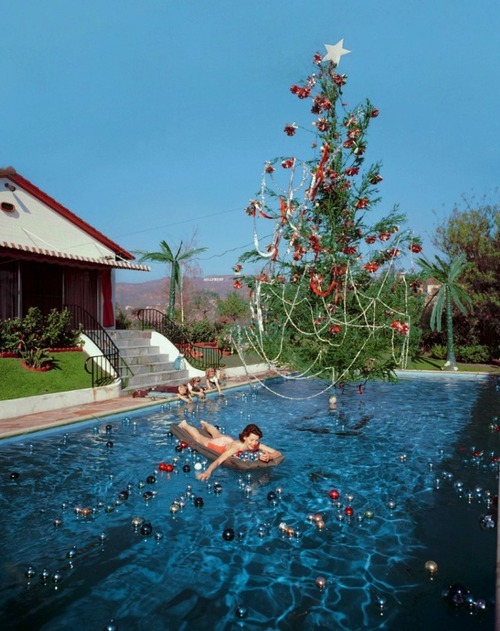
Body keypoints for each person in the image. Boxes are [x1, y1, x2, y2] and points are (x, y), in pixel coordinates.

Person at [178, 420, 282, 480]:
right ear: (245, 437)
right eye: (252, 440)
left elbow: (277, 453)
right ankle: (185, 424)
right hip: (219, 445)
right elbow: (219, 460)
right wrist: (208, 471)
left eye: (256, 440)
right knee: (199, 438)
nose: (254, 443)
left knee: (217, 434)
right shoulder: (237, 447)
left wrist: (270, 456)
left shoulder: (256, 444)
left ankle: (206, 425)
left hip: (228, 440)